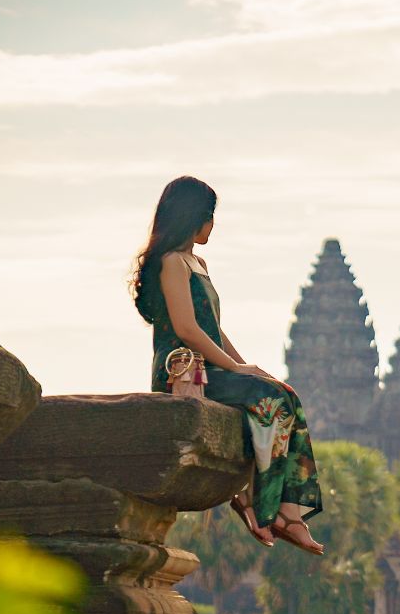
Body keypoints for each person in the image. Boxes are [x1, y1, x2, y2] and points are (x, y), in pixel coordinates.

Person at [131, 175, 323, 554]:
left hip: (211, 365)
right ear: (192, 217)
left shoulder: (196, 262)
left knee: (285, 395)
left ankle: (285, 511)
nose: (212, 224)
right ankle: (266, 507)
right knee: (270, 400)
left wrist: (245, 365)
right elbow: (186, 329)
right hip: (184, 372)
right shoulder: (171, 263)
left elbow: (213, 330)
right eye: (209, 215)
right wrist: (235, 371)